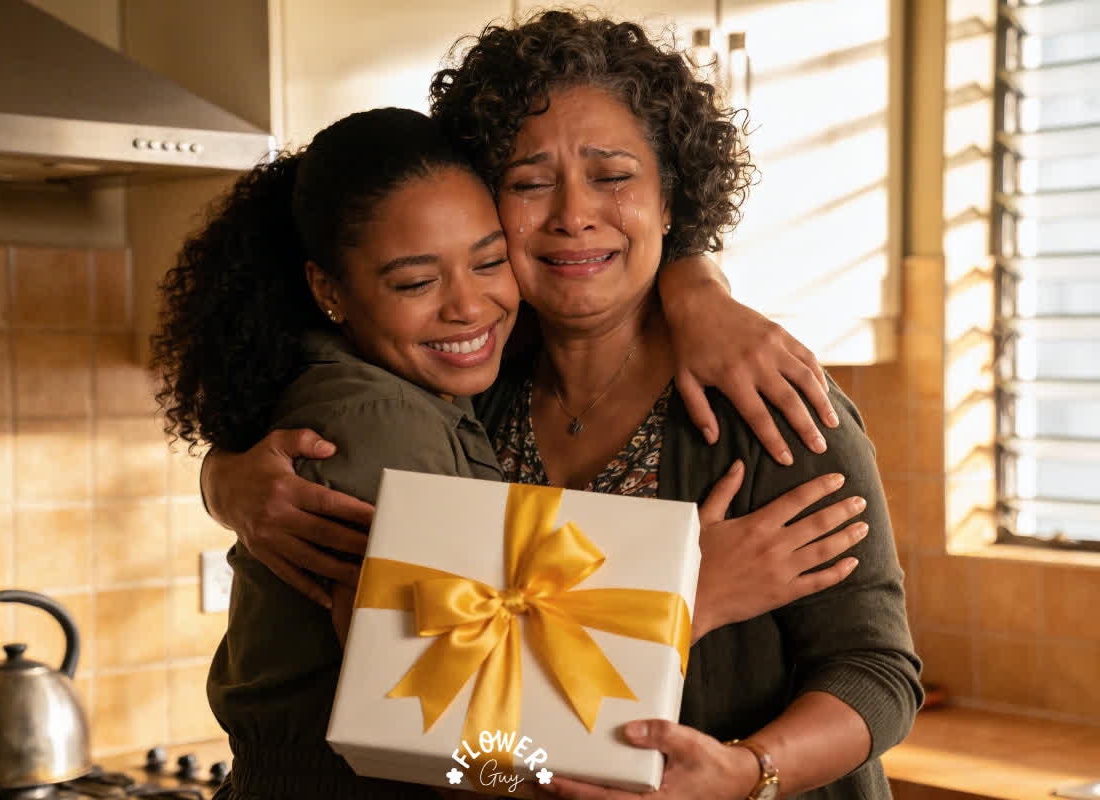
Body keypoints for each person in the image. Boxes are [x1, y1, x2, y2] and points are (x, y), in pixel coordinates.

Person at [199, 10, 922, 800]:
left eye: (613, 177)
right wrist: (225, 479)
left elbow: (877, 673)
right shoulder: (471, 382)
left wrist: (746, 772)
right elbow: (438, 685)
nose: (573, 214)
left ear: (672, 197)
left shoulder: (768, 402)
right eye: (529, 182)